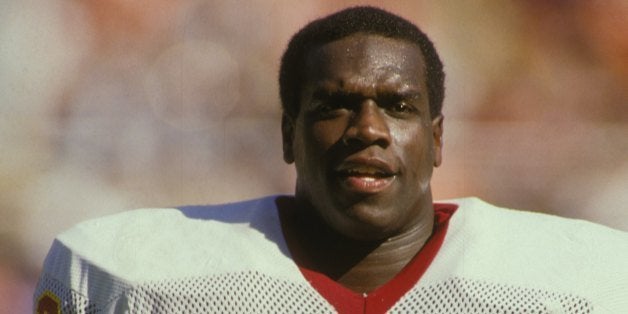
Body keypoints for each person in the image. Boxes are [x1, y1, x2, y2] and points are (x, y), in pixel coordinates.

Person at [34, 6, 628, 313]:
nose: (367, 130)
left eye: (397, 106)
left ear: (438, 138)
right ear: (289, 134)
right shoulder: (129, 273)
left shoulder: (581, 284)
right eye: (335, 105)